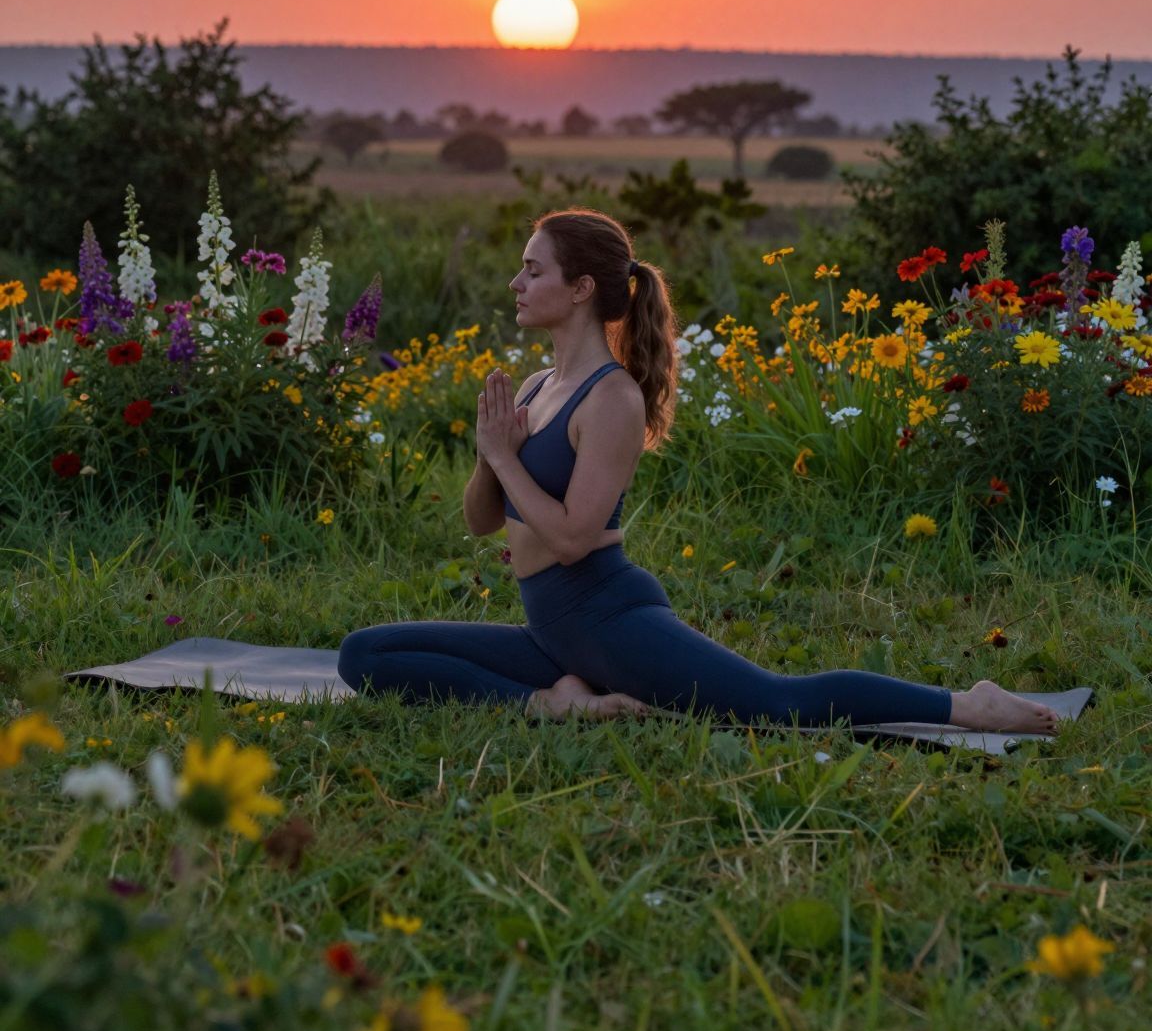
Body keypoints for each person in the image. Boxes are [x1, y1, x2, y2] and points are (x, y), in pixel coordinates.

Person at [337, 209, 1061, 737]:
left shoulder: (612, 398)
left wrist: (502, 455)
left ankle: (968, 704)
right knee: (363, 653)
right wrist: (487, 449)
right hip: (549, 628)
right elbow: (481, 521)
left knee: (780, 706)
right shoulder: (531, 388)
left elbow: (572, 539)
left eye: (533, 269)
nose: (515, 282)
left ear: (583, 287)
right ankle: (554, 700)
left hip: (606, 616)